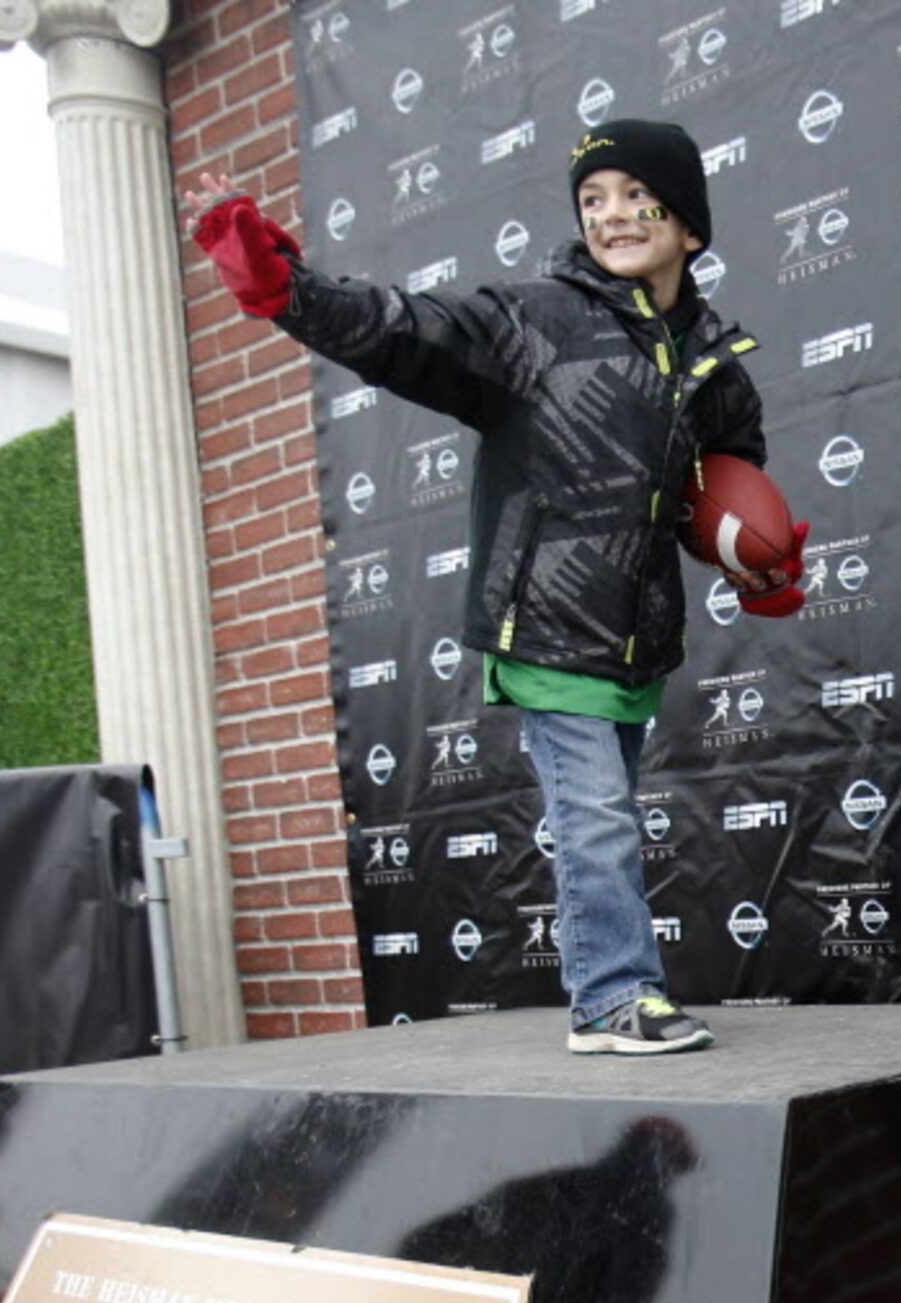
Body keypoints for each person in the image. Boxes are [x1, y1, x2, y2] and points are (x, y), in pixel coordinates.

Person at [184, 119, 803, 1056]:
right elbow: (401, 330)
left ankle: (608, 998)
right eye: (593, 199)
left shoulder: (712, 357)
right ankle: (611, 1001)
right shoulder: (532, 322)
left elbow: (724, 483)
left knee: (608, 817)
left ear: (688, 226)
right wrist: (284, 286)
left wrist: (756, 565)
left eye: (638, 195)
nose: (612, 214)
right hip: (545, 624)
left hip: (636, 632)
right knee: (594, 818)